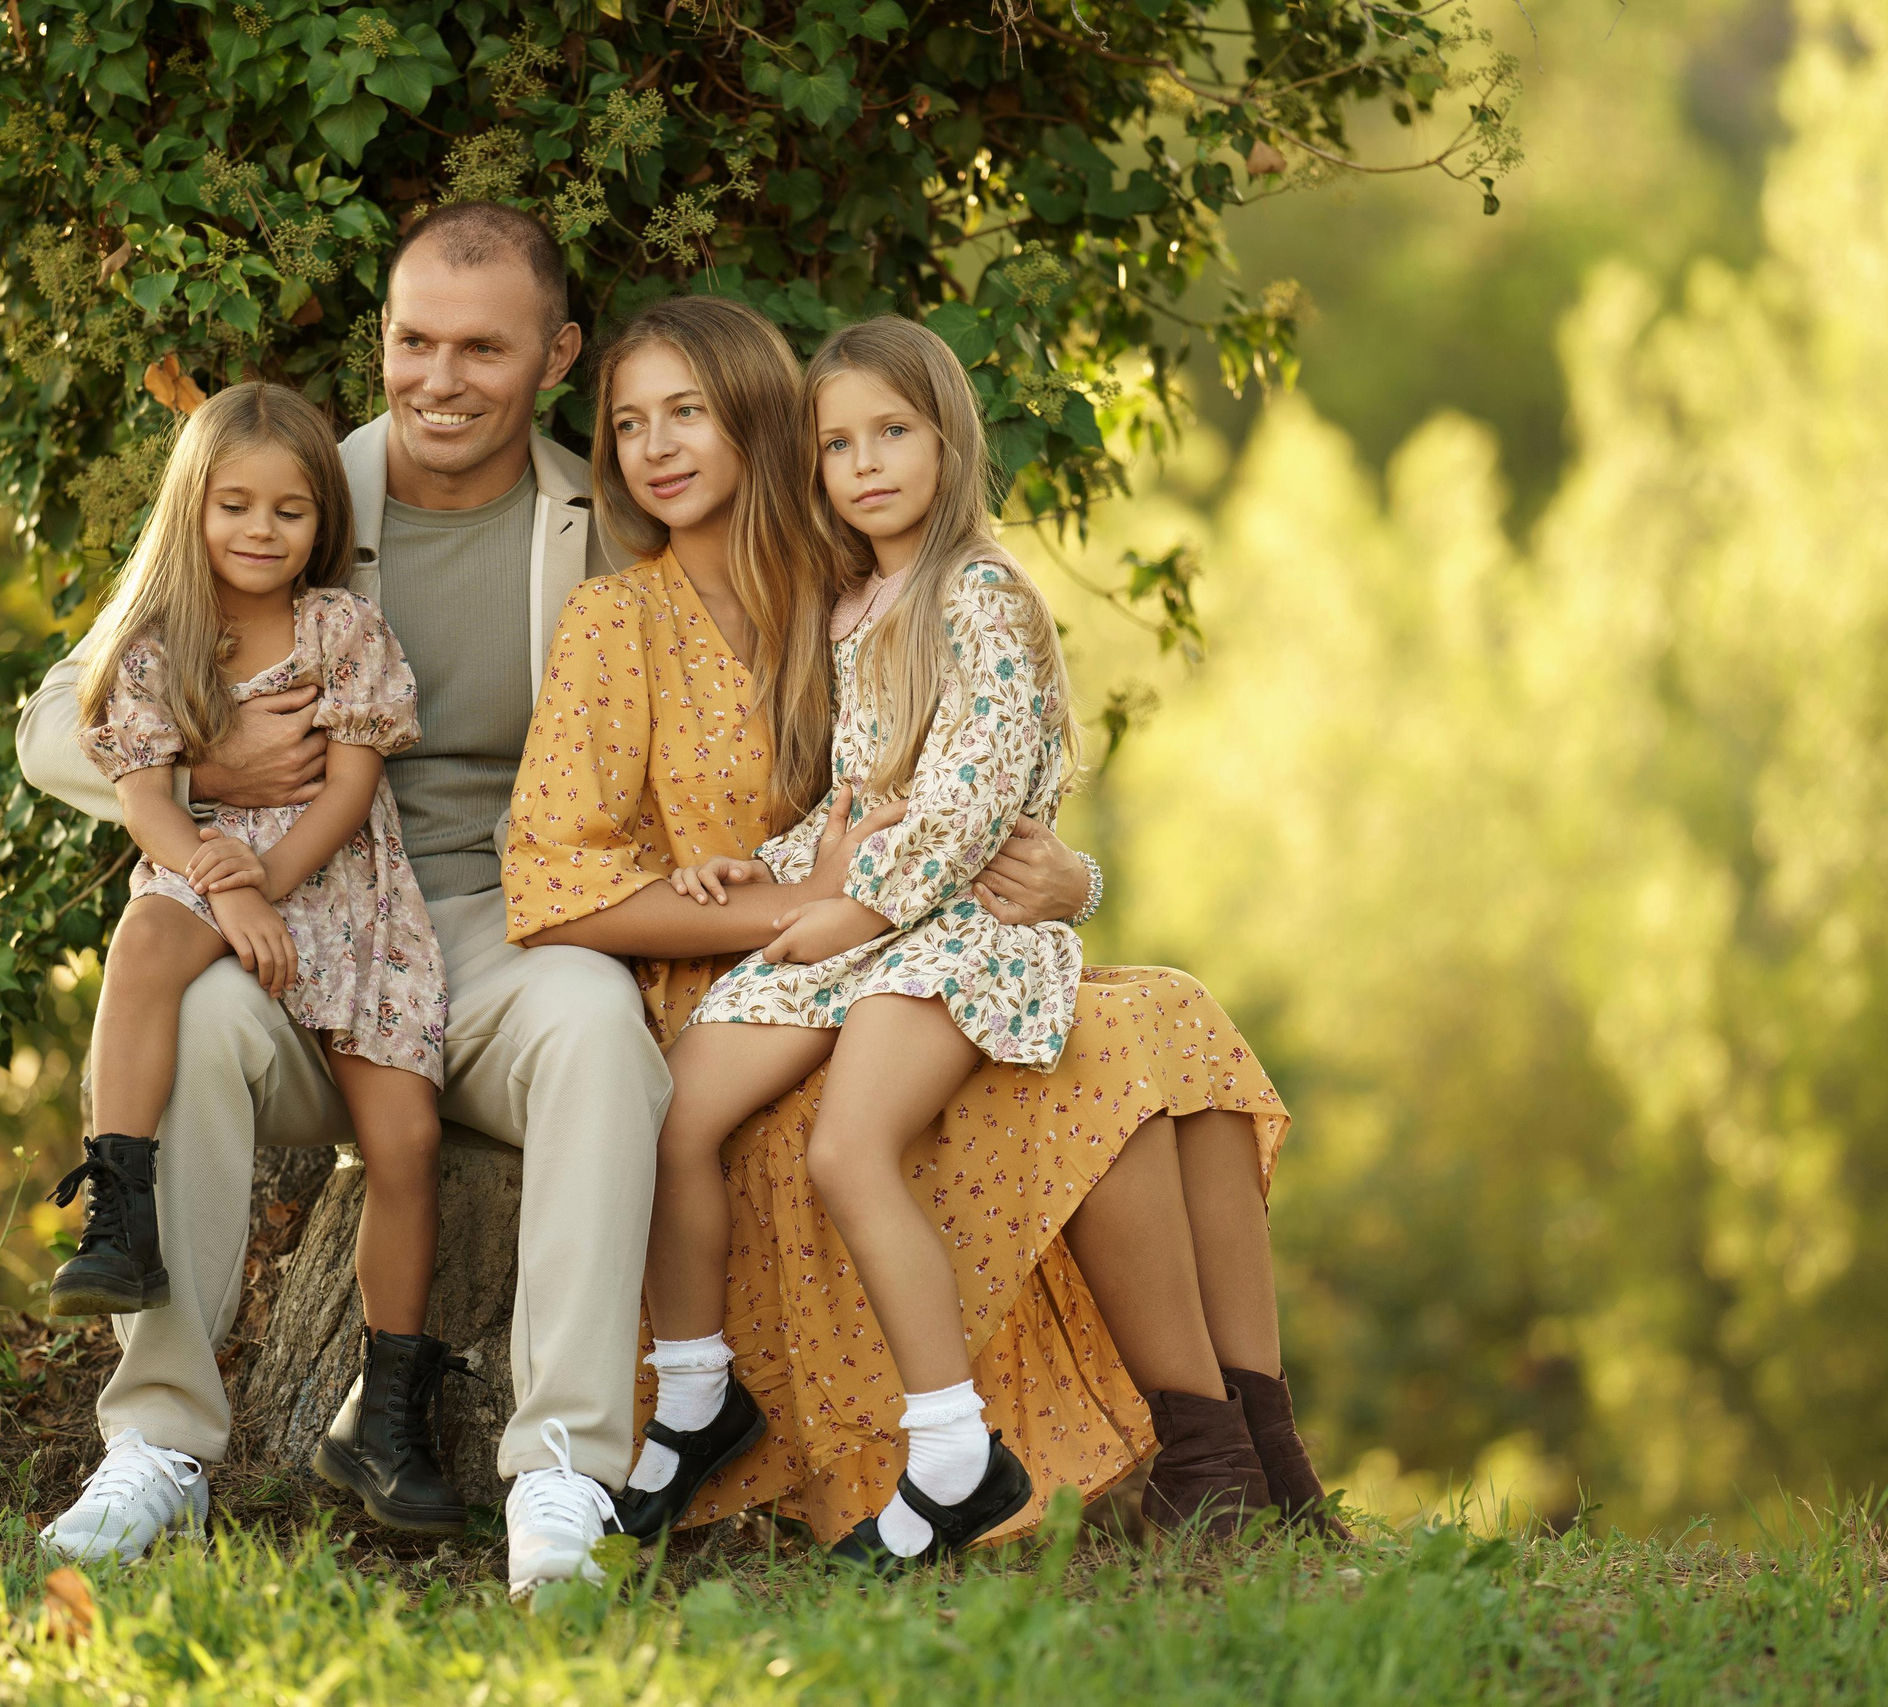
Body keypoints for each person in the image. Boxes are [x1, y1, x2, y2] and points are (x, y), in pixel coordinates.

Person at [503, 301, 1346, 1566]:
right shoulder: (632, 619)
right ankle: (1189, 1457)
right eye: (628, 423)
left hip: (903, 938)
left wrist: (1069, 875)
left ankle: (1252, 1462)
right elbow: (566, 881)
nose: (656, 447)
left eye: (689, 412)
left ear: (757, 428)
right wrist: (788, 894)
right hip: (795, 960)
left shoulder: (854, 592)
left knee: (1162, 1014)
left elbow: (965, 784)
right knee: (1098, 1054)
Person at [20, 204, 672, 1595]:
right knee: (186, 1029)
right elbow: (48, 723)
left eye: (481, 349)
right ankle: (161, 1448)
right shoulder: (291, 486)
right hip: (293, 916)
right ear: (382, 337)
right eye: (412, 340)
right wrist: (207, 758)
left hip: (501, 924)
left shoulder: (597, 525)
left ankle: (563, 1474)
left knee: (599, 1030)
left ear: (554, 355)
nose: (438, 379)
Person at [49, 379, 459, 1534]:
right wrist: (225, 889)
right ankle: (120, 1206)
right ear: (195, 506)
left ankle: (386, 1404)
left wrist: (266, 887)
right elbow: (145, 804)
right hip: (204, 877)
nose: (259, 532)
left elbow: (352, 787)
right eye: (234, 505)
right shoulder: (160, 642)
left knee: (406, 1140)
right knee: (140, 940)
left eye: (288, 511)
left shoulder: (343, 633)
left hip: (348, 895)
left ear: (321, 520)